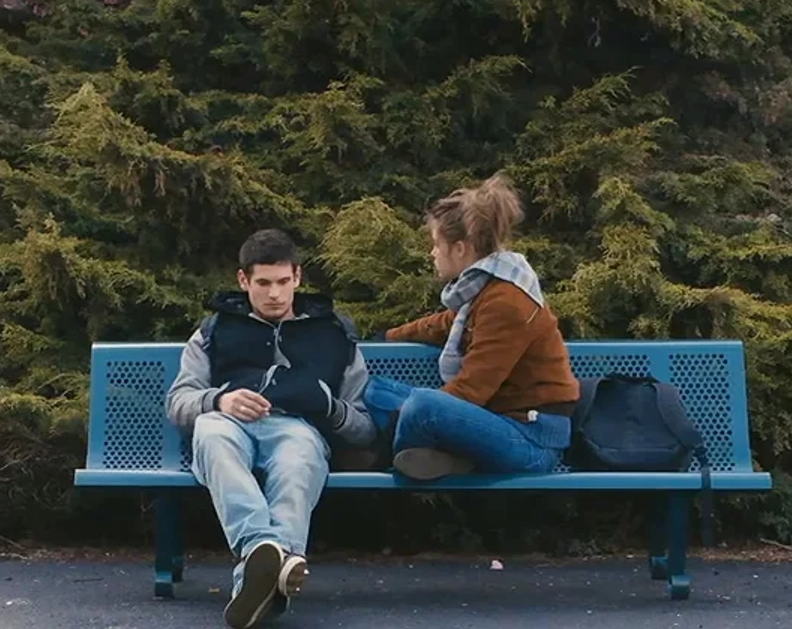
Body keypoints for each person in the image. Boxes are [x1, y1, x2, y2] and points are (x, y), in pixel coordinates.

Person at [165, 228, 376, 629]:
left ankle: (259, 574)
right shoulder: (214, 331)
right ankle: (266, 553)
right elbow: (179, 402)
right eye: (263, 283)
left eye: (283, 282)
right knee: (211, 434)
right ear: (244, 281)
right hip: (229, 423)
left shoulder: (334, 333)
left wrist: (329, 407)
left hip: (298, 429)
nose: (275, 294)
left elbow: (364, 427)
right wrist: (219, 400)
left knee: (298, 462)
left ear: (298, 277)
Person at [366, 175, 581, 480]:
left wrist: (408, 417)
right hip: (494, 420)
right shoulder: (483, 290)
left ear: (460, 249)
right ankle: (450, 458)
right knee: (376, 390)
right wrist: (387, 336)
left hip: (530, 440)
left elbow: (472, 391)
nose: (432, 253)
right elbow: (443, 323)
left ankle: (383, 460)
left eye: (436, 245)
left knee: (423, 406)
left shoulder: (507, 301)